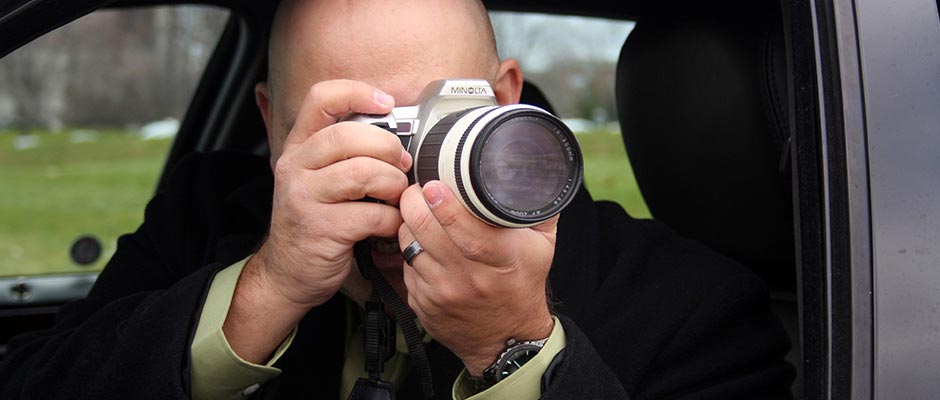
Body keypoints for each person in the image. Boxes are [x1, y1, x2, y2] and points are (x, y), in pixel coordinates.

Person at [0, 0, 794, 399]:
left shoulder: (687, 302)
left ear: (506, 97)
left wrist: (513, 348)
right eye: (350, 125)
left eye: (434, 117)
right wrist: (265, 290)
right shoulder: (210, 220)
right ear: (274, 126)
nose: (396, 165)